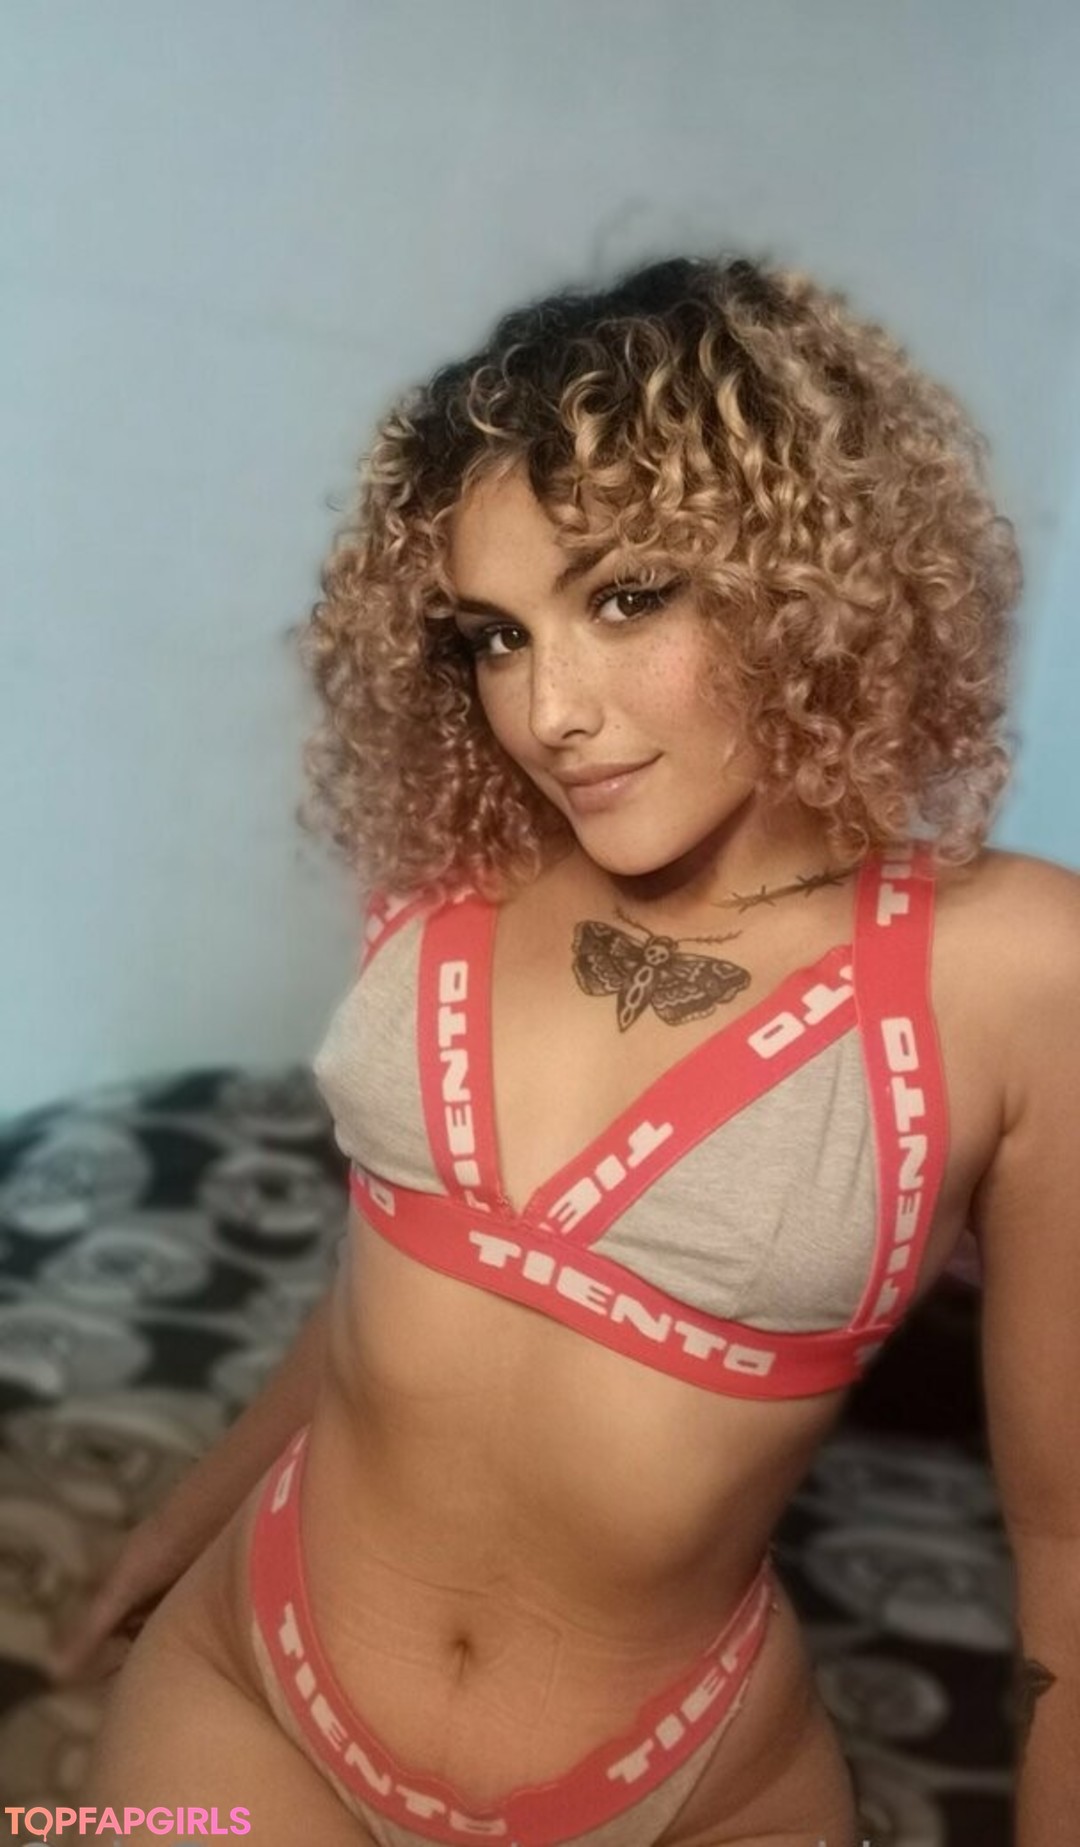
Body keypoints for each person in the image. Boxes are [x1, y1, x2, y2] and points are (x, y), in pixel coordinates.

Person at [56, 255, 1080, 1846]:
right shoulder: (454, 872)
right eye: (495, 636)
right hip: (255, 1691)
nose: (548, 712)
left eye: (624, 597)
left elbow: (1070, 1552)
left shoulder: (1014, 967)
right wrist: (188, 1518)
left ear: (800, 580)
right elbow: (391, 1289)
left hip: (691, 1793)